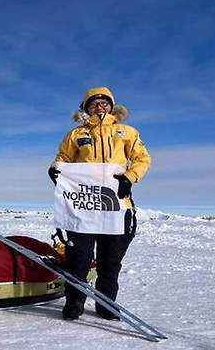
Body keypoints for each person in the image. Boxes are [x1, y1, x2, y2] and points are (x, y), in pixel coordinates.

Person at [48, 87, 151, 320]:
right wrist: (55, 170)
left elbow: (142, 159)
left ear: (112, 106)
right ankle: (75, 302)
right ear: (86, 108)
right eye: (94, 103)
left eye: (105, 102)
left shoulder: (127, 132)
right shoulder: (76, 134)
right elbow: (63, 158)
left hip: (116, 206)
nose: (100, 106)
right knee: (79, 260)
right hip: (83, 207)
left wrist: (129, 177)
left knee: (110, 262)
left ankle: (106, 306)